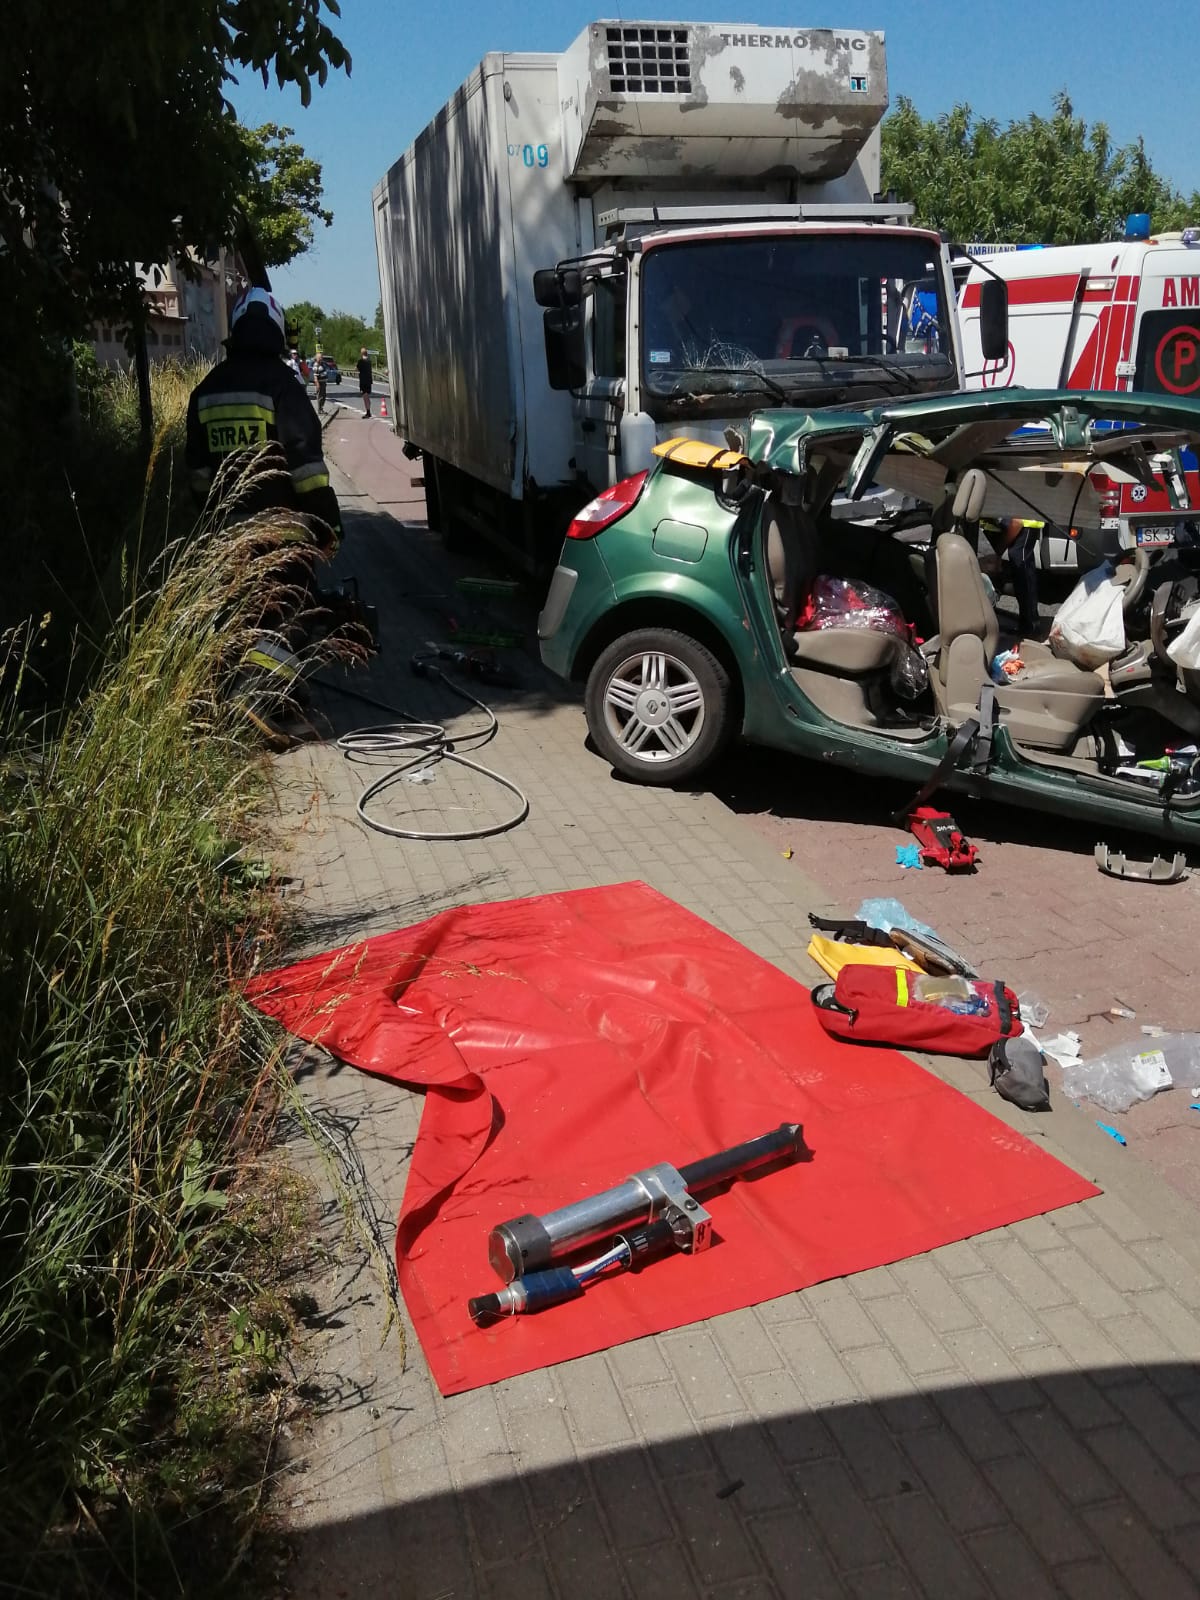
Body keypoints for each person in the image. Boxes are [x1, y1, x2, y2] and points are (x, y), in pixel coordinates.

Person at [186, 286, 341, 627]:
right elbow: (308, 473)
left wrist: (217, 523)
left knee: (236, 629)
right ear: (276, 332)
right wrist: (329, 524)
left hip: (230, 546)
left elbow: (198, 477)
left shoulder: (205, 392)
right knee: (284, 630)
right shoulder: (284, 387)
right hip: (285, 547)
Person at [356, 347, 373, 417]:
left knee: (365, 396)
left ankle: (368, 412)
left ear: (361, 353)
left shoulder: (361, 361)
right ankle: (368, 410)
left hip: (363, 381)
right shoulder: (369, 361)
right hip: (369, 380)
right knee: (367, 395)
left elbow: (357, 369)